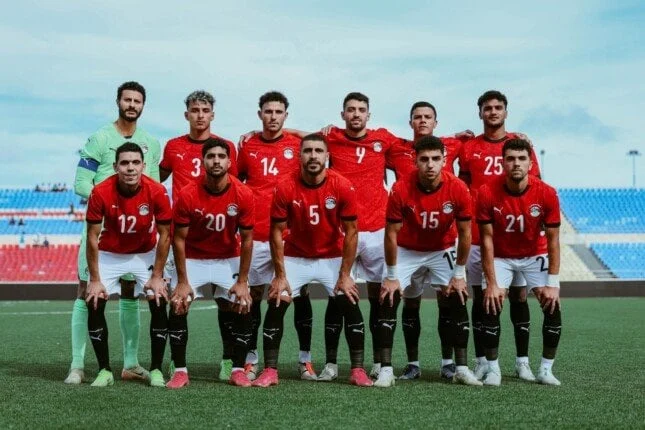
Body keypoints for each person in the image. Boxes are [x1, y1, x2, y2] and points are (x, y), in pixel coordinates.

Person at [252, 134, 373, 387]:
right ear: (299, 156)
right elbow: (276, 232)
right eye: (308, 151)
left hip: (331, 256)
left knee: (349, 299)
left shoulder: (342, 185)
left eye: (319, 151)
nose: (313, 156)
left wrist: (345, 275)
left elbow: (352, 232)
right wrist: (280, 275)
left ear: (327, 156)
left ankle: (357, 369)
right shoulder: (285, 186)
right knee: (277, 299)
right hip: (296, 256)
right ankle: (270, 370)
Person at [66, 81, 162, 385]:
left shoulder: (151, 142)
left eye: (137, 101)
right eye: (127, 100)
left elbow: (154, 186)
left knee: (131, 292)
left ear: (143, 105)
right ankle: (77, 366)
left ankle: (130, 364)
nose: (132, 105)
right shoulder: (99, 138)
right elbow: (81, 183)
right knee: (87, 291)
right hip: (102, 229)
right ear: (118, 102)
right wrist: (111, 202)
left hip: (135, 235)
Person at [376, 136, 481, 387]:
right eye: (424, 159)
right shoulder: (401, 188)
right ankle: (387, 370)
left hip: (441, 248)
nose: (430, 164)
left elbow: (466, 233)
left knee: (457, 296)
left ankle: (461, 368)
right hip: (407, 249)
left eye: (435, 159)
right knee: (389, 296)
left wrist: (459, 273)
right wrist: (392, 275)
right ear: (415, 161)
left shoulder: (457, 188)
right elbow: (391, 233)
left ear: (444, 160)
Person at [458, 90, 541, 381]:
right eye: (487, 108)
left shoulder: (520, 144)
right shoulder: (469, 148)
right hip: (479, 234)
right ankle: (483, 360)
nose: (493, 112)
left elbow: (535, 184)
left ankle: (522, 361)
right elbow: (463, 186)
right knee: (481, 299)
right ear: (480, 113)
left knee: (519, 296)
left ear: (506, 111)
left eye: (498, 107)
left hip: (514, 237)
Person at [159, 90, 238, 380]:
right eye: (195, 110)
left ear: (212, 115)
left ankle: (228, 360)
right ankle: (178, 364)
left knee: (228, 303)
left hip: (220, 239)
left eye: (205, 110)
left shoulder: (226, 147)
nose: (200, 115)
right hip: (185, 240)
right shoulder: (173, 147)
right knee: (180, 302)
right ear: (187, 115)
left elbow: (235, 186)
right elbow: (155, 179)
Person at [236, 91, 315, 381]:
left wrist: (291, 130)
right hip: (257, 233)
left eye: (278, 112)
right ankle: (251, 358)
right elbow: (236, 183)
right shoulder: (247, 146)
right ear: (260, 114)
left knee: (298, 294)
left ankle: (305, 359)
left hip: (290, 235)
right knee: (255, 296)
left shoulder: (297, 145)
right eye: (268, 112)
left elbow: (323, 140)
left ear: (286, 115)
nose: (273, 117)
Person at [167, 138, 255, 389]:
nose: (216, 161)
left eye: (221, 156)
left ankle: (236, 368)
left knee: (242, 303)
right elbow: (178, 239)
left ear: (229, 162)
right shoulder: (188, 194)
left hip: (227, 257)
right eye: (211, 156)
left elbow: (247, 240)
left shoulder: (243, 193)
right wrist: (183, 281)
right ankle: (180, 370)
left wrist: (242, 281)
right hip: (193, 257)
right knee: (178, 303)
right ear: (203, 161)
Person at [84, 142, 171, 387]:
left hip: (144, 253)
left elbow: (165, 234)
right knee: (94, 300)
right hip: (110, 253)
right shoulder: (100, 191)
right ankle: (104, 370)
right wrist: (95, 279)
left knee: (158, 298)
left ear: (143, 166)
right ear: (115, 167)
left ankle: (156, 369)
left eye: (135, 162)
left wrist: (157, 275)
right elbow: (92, 236)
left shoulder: (157, 191)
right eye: (124, 163)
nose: (130, 168)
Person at [477, 138, 562, 386]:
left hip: (534, 254)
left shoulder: (547, 192)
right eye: (511, 158)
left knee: (552, 304)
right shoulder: (486, 192)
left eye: (522, 158)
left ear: (530, 163)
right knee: (491, 303)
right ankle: (493, 370)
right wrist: (492, 282)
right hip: (501, 256)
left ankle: (545, 369)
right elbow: (486, 240)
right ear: (503, 162)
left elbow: (554, 240)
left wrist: (553, 283)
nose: (516, 163)